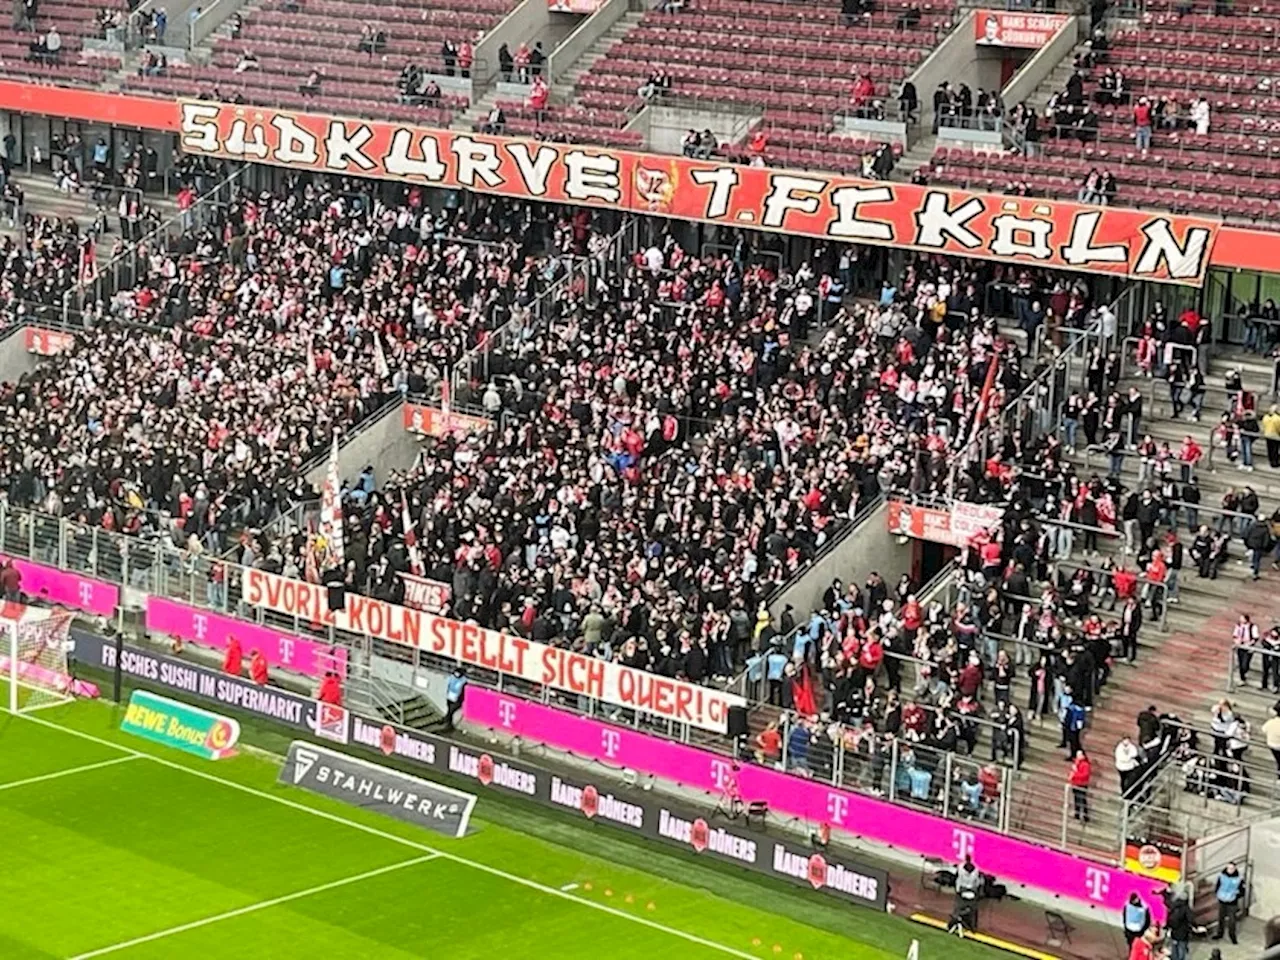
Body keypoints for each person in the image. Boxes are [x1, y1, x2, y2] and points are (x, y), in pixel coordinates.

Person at [1213, 861, 1243, 943]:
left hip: (1232, 902)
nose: (1230, 870)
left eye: (1232, 868)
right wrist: (1217, 894)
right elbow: (1218, 885)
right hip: (1222, 900)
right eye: (1228, 868)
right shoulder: (1221, 876)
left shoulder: (1238, 878)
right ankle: (1219, 934)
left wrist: (1235, 896)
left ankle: (1232, 936)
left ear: (1235, 869)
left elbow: (1242, 891)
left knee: (1232, 920)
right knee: (1220, 918)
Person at [1068, 749, 1091, 822]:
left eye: (1080, 754)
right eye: (1077, 754)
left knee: (1082, 800)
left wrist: (1075, 774)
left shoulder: (1086, 764)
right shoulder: (1076, 762)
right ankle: (1077, 813)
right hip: (1075, 783)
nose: (1078, 756)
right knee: (1076, 799)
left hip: (1082, 784)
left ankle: (1085, 815)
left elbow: (1085, 775)